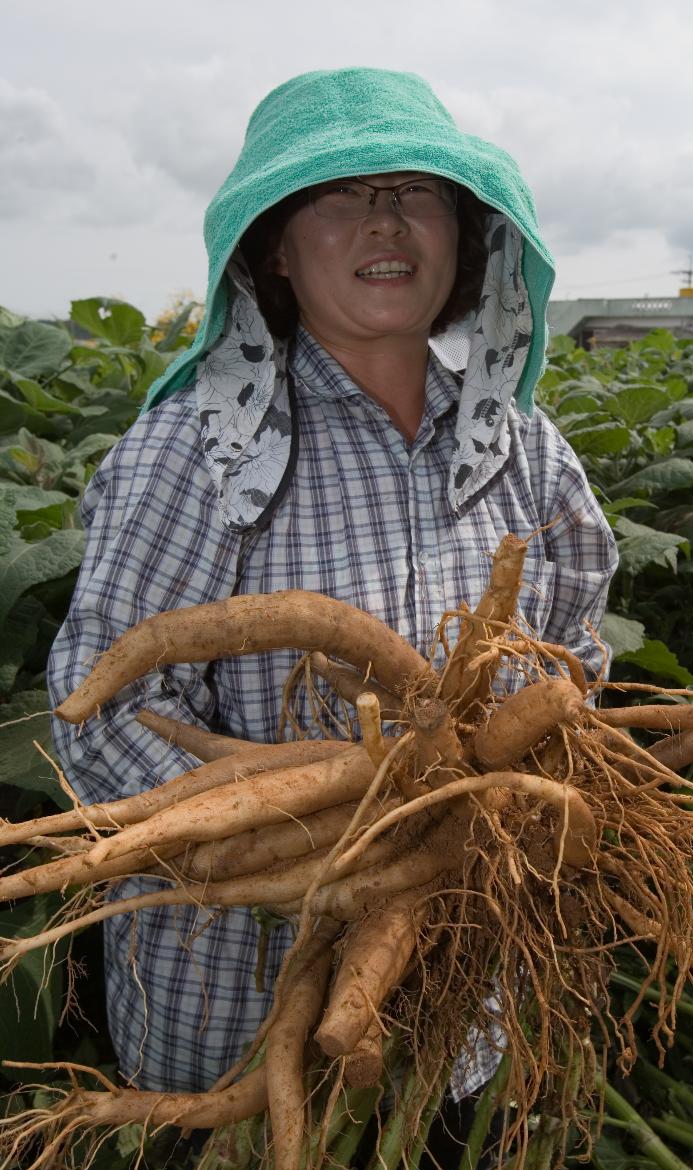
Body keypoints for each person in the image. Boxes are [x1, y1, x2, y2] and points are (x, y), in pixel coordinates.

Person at [48, 67, 617, 1112]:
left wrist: (503, 782)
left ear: (465, 234)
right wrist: (340, 838)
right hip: (232, 1020)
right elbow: (97, 715)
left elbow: (576, 648)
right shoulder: (196, 450)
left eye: (416, 192)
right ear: (271, 246)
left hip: (460, 997)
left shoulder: (525, 449)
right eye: (338, 196)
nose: (384, 221)